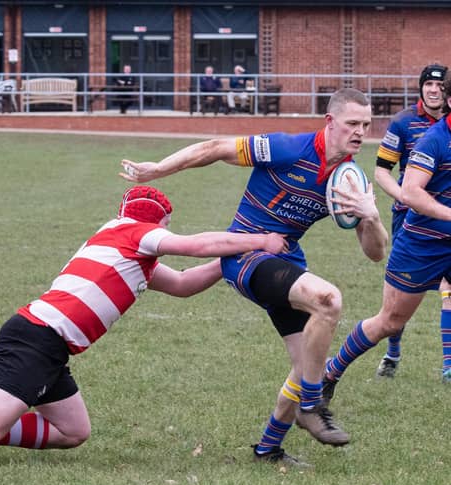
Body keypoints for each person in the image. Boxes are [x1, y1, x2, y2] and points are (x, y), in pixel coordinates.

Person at [0, 185, 288, 464]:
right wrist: (260, 241)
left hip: (49, 345)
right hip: (36, 338)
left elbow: (184, 284)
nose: (166, 237)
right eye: (166, 229)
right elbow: (195, 245)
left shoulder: (129, 256)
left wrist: (234, 259)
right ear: (155, 222)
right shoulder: (133, 233)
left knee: (72, 432)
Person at [119, 88, 388, 465]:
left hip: (285, 261)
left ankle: (268, 448)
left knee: (305, 363)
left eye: (366, 125)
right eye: (352, 124)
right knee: (328, 300)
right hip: (244, 255)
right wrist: (159, 169)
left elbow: (376, 253)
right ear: (330, 122)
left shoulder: (349, 181)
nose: (360, 132)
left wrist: (370, 216)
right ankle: (311, 405)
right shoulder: (288, 148)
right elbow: (215, 147)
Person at [323, 71, 451, 404]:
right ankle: (330, 372)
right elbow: (410, 191)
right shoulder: (434, 140)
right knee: (390, 322)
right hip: (423, 244)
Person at [373, 64, 448, 378]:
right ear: (421, 88)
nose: (432, 90)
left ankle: (448, 365)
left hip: (443, 219)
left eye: (438, 86)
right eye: (427, 85)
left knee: (448, 287)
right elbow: (381, 171)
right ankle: (392, 354)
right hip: (410, 218)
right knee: (399, 294)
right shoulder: (404, 122)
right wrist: (403, 196)